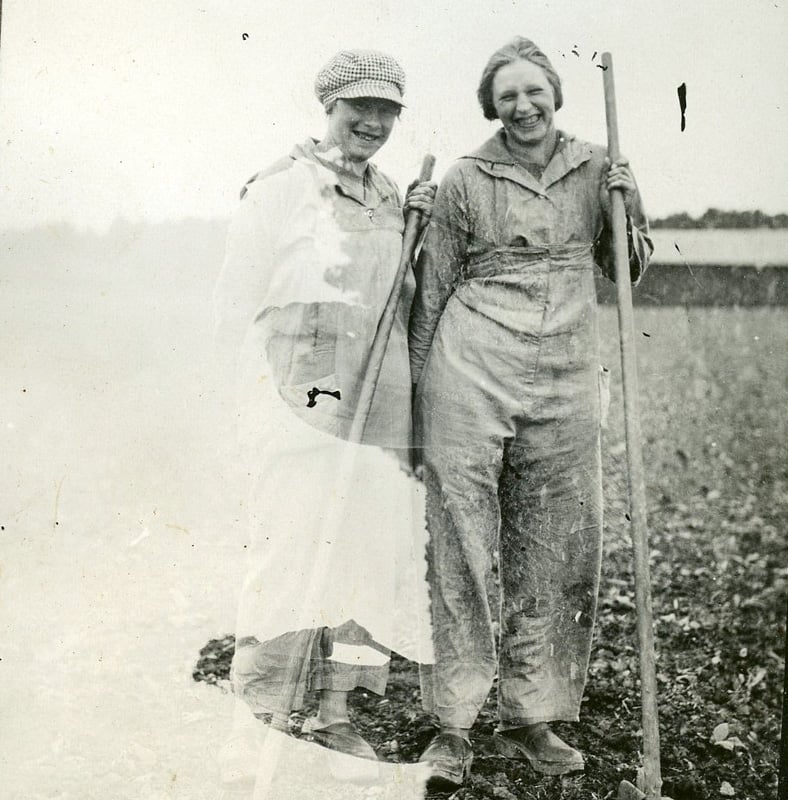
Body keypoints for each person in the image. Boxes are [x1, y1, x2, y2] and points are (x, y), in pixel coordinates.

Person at [408, 36, 652, 790]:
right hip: (471, 362)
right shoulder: (465, 178)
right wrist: (414, 398)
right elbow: (434, 284)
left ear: (555, 94)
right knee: (461, 541)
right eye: (507, 96)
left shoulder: (595, 167)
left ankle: (533, 716)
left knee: (557, 541)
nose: (523, 106)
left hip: (567, 368)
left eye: (533, 91)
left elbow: (627, 268)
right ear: (492, 107)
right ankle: (452, 726)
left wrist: (625, 207)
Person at [212, 48, 436, 773]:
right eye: (358, 108)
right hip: (302, 402)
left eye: (387, 112)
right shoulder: (279, 189)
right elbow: (235, 307)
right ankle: (264, 716)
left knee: (369, 562)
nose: (372, 123)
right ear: (328, 108)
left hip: (383, 409)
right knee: (287, 555)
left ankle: (342, 713)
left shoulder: (396, 196)